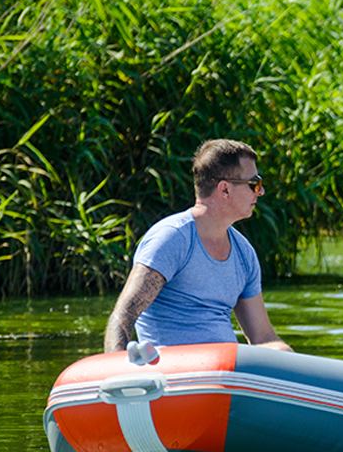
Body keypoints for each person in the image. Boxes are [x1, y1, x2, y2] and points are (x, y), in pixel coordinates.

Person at [104, 139, 291, 353]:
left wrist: (292, 363)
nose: (261, 191)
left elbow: (263, 337)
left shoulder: (244, 253)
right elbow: (123, 316)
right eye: (254, 184)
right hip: (175, 374)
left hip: (227, 373)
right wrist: (118, 369)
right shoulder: (171, 240)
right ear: (225, 189)